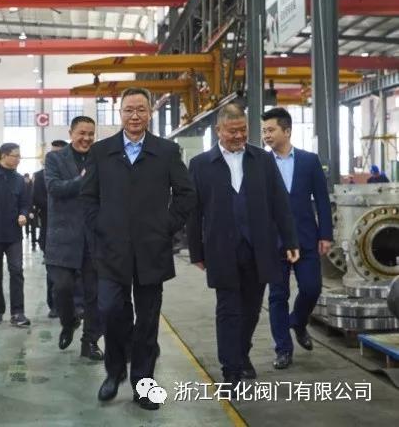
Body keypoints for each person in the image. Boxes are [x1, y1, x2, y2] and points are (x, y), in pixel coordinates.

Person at [82, 87, 196, 409]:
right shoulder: (102, 151)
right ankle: (114, 371)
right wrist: (101, 225)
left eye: (141, 110)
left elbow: (186, 194)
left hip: (151, 250)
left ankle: (143, 385)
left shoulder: (166, 151)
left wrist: (165, 226)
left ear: (150, 113)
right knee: (110, 311)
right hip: (111, 250)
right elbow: (88, 196)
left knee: (147, 321)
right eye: (129, 110)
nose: (135, 116)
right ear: (120, 114)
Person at [187, 103, 299, 389]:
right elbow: (193, 211)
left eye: (243, 130)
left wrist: (290, 240)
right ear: (218, 130)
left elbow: (279, 202)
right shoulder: (200, 165)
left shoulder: (262, 160)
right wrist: (196, 250)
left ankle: (241, 354)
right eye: (232, 131)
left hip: (258, 248)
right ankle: (231, 369)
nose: (238, 136)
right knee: (228, 309)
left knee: (251, 309)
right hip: (221, 249)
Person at [262, 108, 333, 370]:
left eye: (271, 130)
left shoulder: (309, 161)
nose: (266, 135)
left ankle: (298, 321)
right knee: (277, 296)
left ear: (287, 131)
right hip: (274, 241)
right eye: (264, 131)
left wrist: (326, 234)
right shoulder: (260, 163)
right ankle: (283, 349)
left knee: (312, 288)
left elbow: (322, 200)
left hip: (306, 238)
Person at [45, 116, 103, 361]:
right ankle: (68, 322)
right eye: (82, 133)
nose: (86, 138)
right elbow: (54, 188)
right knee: (62, 287)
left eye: (91, 134)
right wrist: (83, 180)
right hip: (63, 237)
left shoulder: (100, 158)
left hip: (94, 237)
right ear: (71, 133)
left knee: (94, 294)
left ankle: (90, 342)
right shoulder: (55, 159)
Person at [0, 143, 32, 327]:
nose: (18, 159)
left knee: (16, 272)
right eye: (16, 156)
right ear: (4, 156)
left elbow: (25, 203)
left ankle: (18, 312)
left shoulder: (20, 180)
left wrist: (23, 214)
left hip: (14, 235)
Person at [33, 139, 67, 318]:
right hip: (49, 230)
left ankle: (74, 305)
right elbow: (37, 199)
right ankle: (54, 305)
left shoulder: (74, 173)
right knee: (52, 271)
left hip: (72, 230)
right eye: (53, 153)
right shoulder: (40, 176)